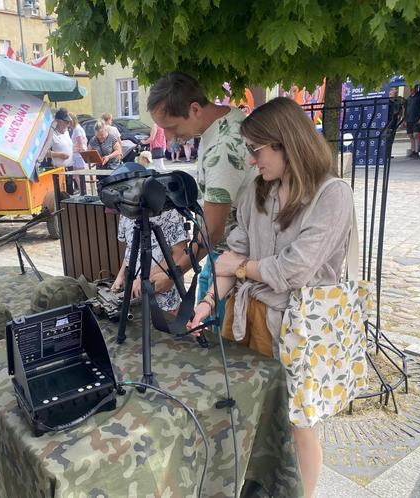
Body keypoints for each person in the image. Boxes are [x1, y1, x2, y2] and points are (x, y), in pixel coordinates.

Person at [188, 97, 355, 498]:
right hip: (251, 321)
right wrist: (209, 303)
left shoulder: (332, 195)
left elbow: (291, 270)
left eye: (255, 150)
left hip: (301, 328)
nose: (250, 161)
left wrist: (242, 268)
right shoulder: (257, 193)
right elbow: (231, 255)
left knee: (298, 423)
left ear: (285, 143)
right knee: (249, 414)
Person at [146, 72, 257, 307]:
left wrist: (173, 273)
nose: (167, 136)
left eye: (171, 126)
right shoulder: (228, 120)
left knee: (214, 339)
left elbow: (213, 230)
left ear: (195, 109)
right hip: (233, 254)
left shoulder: (221, 148)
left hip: (234, 261)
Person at [110, 163, 189, 314]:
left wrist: (145, 278)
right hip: (134, 294)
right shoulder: (125, 210)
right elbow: (130, 249)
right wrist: (120, 276)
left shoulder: (168, 211)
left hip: (164, 298)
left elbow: (179, 253)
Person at [404, 84, 420, 158]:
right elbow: (405, 109)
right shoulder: (408, 99)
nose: (410, 89)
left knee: (416, 135)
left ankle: (416, 152)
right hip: (409, 119)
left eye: (412, 88)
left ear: (416, 88)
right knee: (410, 135)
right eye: (410, 88)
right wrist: (404, 119)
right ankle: (413, 151)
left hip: (417, 119)